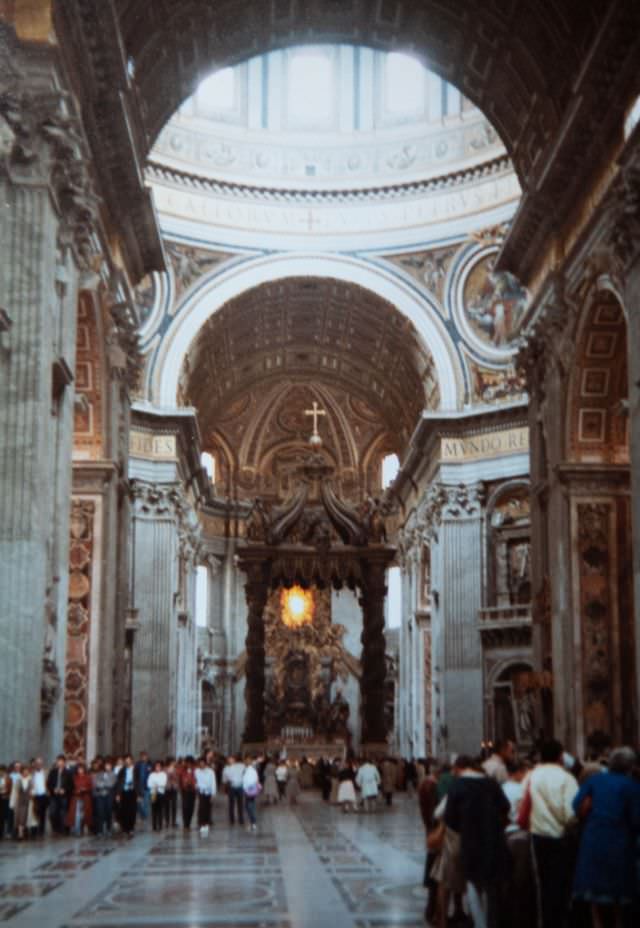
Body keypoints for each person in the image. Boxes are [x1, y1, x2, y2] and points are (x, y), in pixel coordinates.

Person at [572, 746, 640, 928]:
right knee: (619, 894)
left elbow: (577, 805)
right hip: (620, 842)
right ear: (630, 767)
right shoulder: (632, 786)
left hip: (593, 839)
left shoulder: (595, 781)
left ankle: (597, 924)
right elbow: (636, 819)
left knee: (593, 893)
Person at [444, 755, 510, 928]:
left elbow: (450, 819)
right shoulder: (491, 784)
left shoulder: (457, 786)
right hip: (493, 841)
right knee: (492, 888)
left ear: (459, 769)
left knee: (473, 887)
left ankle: (480, 923)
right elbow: (505, 807)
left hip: (470, 842)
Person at [522, 739, 578, 928]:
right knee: (562, 885)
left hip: (539, 837)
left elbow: (524, 805)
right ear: (560, 756)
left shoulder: (532, 775)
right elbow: (571, 814)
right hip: (562, 838)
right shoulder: (567, 778)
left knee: (543, 887)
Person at [47, 754, 73, 835]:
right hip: (54, 795)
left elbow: (71, 785)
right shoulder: (53, 772)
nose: (60, 763)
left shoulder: (68, 773)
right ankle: (55, 828)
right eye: (58, 761)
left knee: (63, 813)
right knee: (52, 812)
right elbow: (49, 783)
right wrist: (53, 789)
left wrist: (64, 790)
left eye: (61, 762)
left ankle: (63, 829)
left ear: (64, 763)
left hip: (64, 796)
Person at [66, 762, 93, 836]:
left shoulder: (88, 777)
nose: (80, 770)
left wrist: (85, 789)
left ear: (84, 769)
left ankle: (83, 828)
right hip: (76, 797)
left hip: (85, 797)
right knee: (76, 814)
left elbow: (91, 787)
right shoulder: (74, 777)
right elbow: (71, 787)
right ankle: (76, 830)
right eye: (79, 769)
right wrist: (76, 791)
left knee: (84, 814)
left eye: (81, 769)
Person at [115, 753, 138, 838]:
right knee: (124, 811)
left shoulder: (136, 769)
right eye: (126, 761)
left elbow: (138, 782)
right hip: (124, 791)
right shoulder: (122, 770)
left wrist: (139, 794)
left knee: (132, 811)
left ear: (131, 760)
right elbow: (118, 782)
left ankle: (131, 828)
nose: (127, 762)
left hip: (133, 792)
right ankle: (125, 828)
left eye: (129, 760)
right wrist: (117, 794)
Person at [93, 758, 116, 837]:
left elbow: (111, 784)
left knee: (108, 812)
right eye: (106, 765)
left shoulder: (113, 774)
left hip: (109, 795)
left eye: (109, 765)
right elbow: (96, 783)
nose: (107, 767)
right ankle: (100, 830)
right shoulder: (99, 774)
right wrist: (103, 784)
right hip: (100, 795)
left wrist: (103, 784)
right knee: (100, 812)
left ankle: (109, 829)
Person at [195, 756, 216, 836]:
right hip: (201, 791)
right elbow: (196, 781)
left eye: (203, 763)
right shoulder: (197, 771)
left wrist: (213, 794)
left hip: (208, 792)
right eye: (200, 764)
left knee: (208, 808)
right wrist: (196, 787)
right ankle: (201, 823)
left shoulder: (210, 772)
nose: (201, 765)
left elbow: (213, 783)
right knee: (201, 808)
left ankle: (207, 823)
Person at [222, 755, 245, 825]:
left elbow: (245, 772)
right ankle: (232, 819)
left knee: (240, 804)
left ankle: (241, 819)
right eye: (229, 759)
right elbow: (224, 779)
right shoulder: (226, 768)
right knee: (231, 804)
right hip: (231, 787)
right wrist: (225, 784)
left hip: (240, 786)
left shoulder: (241, 766)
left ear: (234, 760)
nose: (230, 761)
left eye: (231, 759)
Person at [148, 760, 168, 832]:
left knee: (160, 810)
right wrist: (156, 784)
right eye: (156, 766)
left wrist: (156, 784)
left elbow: (163, 783)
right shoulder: (151, 775)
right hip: (153, 793)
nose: (157, 768)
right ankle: (154, 826)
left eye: (159, 766)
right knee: (154, 810)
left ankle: (160, 825)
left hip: (160, 793)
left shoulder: (163, 774)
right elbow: (149, 784)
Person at [30, 757, 48, 837]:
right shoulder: (32, 773)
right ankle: (35, 829)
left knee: (43, 813)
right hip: (35, 796)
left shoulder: (46, 772)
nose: (39, 765)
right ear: (35, 764)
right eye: (37, 763)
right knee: (35, 812)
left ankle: (41, 830)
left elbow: (48, 782)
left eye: (40, 763)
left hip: (44, 795)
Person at [242, 755, 261, 832]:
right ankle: (252, 821)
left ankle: (253, 822)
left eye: (249, 761)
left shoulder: (251, 770)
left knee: (249, 806)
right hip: (248, 789)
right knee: (249, 805)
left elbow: (253, 780)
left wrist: (247, 788)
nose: (247, 762)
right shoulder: (246, 769)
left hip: (250, 790)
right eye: (246, 760)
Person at [134, 750, 152, 825]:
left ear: (147, 757)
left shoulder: (150, 764)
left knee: (146, 803)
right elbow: (135, 775)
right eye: (142, 756)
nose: (144, 758)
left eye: (145, 756)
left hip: (147, 786)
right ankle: (143, 816)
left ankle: (145, 818)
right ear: (140, 757)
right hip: (139, 786)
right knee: (139, 803)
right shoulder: (137, 765)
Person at [179, 756, 197, 830]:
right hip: (184, 790)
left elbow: (197, 779)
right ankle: (185, 823)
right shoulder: (182, 770)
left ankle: (189, 822)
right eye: (187, 763)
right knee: (185, 806)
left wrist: (193, 783)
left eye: (190, 763)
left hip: (192, 790)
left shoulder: (195, 770)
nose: (189, 764)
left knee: (191, 807)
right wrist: (182, 786)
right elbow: (179, 779)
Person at [164, 757, 179, 828]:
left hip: (174, 788)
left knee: (174, 805)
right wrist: (170, 773)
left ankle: (173, 821)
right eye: (173, 761)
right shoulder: (165, 769)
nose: (174, 763)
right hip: (167, 788)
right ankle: (167, 821)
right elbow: (165, 777)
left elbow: (177, 778)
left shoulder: (176, 770)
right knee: (166, 805)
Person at [0, 764, 10, 839]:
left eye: (3, 771)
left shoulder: (8, 779)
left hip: (5, 798)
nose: (2, 773)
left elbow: (10, 789)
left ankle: (3, 832)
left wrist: (6, 794)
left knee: (3, 816)